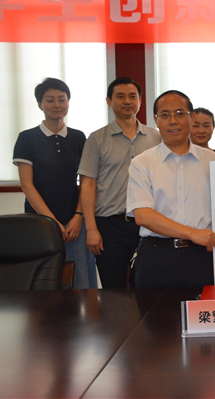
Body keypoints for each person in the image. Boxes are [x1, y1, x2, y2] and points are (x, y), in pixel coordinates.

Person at [127, 90, 215, 288]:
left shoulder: (212, 160)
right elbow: (143, 216)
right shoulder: (142, 163)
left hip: (202, 256)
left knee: (203, 308)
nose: (173, 121)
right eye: (165, 115)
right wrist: (192, 233)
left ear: (192, 117)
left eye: (180, 113)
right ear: (156, 120)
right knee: (154, 309)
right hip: (157, 256)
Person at [12, 78, 97, 289]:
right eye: (50, 100)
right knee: (43, 281)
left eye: (62, 99)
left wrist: (78, 216)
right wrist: (51, 221)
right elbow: (27, 185)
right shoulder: (27, 138)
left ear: (68, 102)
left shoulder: (78, 137)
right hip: (39, 221)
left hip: (74, 222)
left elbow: (86, 182)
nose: (57, 105)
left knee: (80, 280)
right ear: (40, 104)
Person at [78, 77, 161, 289]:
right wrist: (91, 229)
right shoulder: (96, 139)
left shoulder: (155, 137)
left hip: (146, 224)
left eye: (132, 96)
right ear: (109, 101)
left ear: (140, 101)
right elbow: (87, 185)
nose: (127, 101)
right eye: (120, 96)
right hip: (109, 226)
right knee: (113, 289)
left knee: (145, 286)